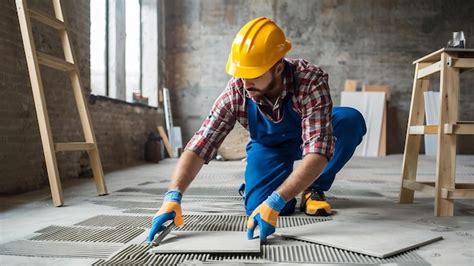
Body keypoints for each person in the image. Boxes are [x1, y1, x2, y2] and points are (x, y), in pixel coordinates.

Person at [147, 17, 366, 242]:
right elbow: (202, 142)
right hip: (270, 145)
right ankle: (261, 183)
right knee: (260, 207)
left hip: (311, 132)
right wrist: (173, 196)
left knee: (350, 120)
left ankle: (314, 187)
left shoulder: (309, 79)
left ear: (279, 68)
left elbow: (318, 149)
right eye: (242, 74)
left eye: (254, 75)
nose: (245, 82)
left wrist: (276, 200)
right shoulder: (237, 88)